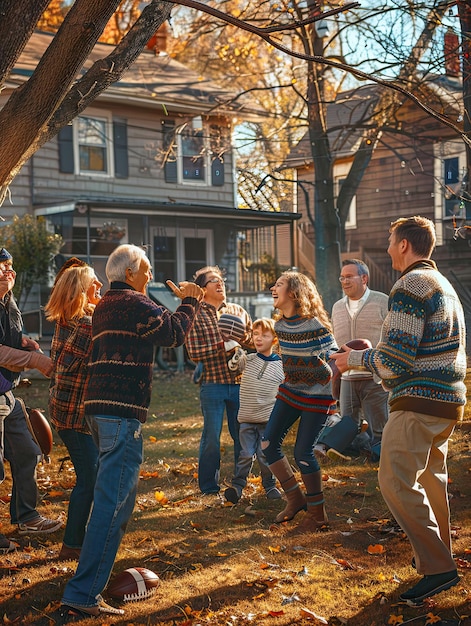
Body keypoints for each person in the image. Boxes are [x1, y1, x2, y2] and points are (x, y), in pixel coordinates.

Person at [60, 244, 204, 619]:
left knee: (115, 503)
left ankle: (86, 585)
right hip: (120, 414)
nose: (152, 276)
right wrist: (190, 300)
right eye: (148, 269)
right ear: (132, 270)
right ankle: (83, 593)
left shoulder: (106, 303)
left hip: (100, 411)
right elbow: (173, 333)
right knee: (112, 506)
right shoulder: (134, 302)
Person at [331, 216, 466, 606]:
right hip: (448, 402)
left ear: (404, 245)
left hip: (419, 400)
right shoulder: (445, 285)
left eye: (390, 240)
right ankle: (438, 558)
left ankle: (439, 568)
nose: (387, 247)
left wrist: (353, 359)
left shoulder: (409, 285)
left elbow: (394, 361)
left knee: (394, 480)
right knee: (429, 481)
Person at [261, 271, 338, 533]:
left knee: (302, 452)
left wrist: (324, 369)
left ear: (293, 293)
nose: (273, 288)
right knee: (268, 445)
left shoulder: (314, 325)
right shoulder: (280, 326)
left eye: (279, 284)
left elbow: (334, 357)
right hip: (291, 392)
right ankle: (295, 499)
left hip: (318, 396)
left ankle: (318, 514)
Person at [0, 248, 62, 554]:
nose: (8, 272)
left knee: (27, 452)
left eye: (10, 266)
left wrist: (26, 344)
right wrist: (35, 360)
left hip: (6, 394)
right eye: (1, 267)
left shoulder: (8, 304)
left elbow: (13, 340)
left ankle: (26, 516)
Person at [44, 261, 103, 561]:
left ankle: (80, 537)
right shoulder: (86, 326)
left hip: (67, 411)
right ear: (81, 290)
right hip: (74, 417)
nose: (100, 287)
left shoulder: (68, 320)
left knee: (91, 475)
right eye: (94, 283)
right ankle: (71, 544)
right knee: (89, 478)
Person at [185, 266, 252, 496]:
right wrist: (223, 346)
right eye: (213, 280)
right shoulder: (195, 314)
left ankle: (239, 482)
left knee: (241, 434)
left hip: (239, 383)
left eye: (221, 280)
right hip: (213, 384)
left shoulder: (237, 310)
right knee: (212, 437)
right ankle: (208, 486)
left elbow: (252, 339)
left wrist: (243, 341)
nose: (220, 283)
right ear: (203, 289)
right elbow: (194, 352)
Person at [315, 259, 389, 462]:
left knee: (380, 425)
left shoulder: (383, 301)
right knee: (348, 422)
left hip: (374, 375)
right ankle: (352, 451)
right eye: (342, 277)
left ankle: (381, 461)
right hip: (347, 377)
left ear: (364, 278)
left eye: (349, 276)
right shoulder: (338, 307)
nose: (344, 281)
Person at [224, 317, 284, 504]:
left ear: (274, 340)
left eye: (264, 335)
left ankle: (270, 485)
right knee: (246, 454)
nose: (258, 338)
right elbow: (233, 366)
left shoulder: (281, 366)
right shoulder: (248, 359)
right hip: (247, 419)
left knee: (265, 456)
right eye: (255, 334)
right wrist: (234, 350)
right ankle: (238, 486)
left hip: (268, 420)